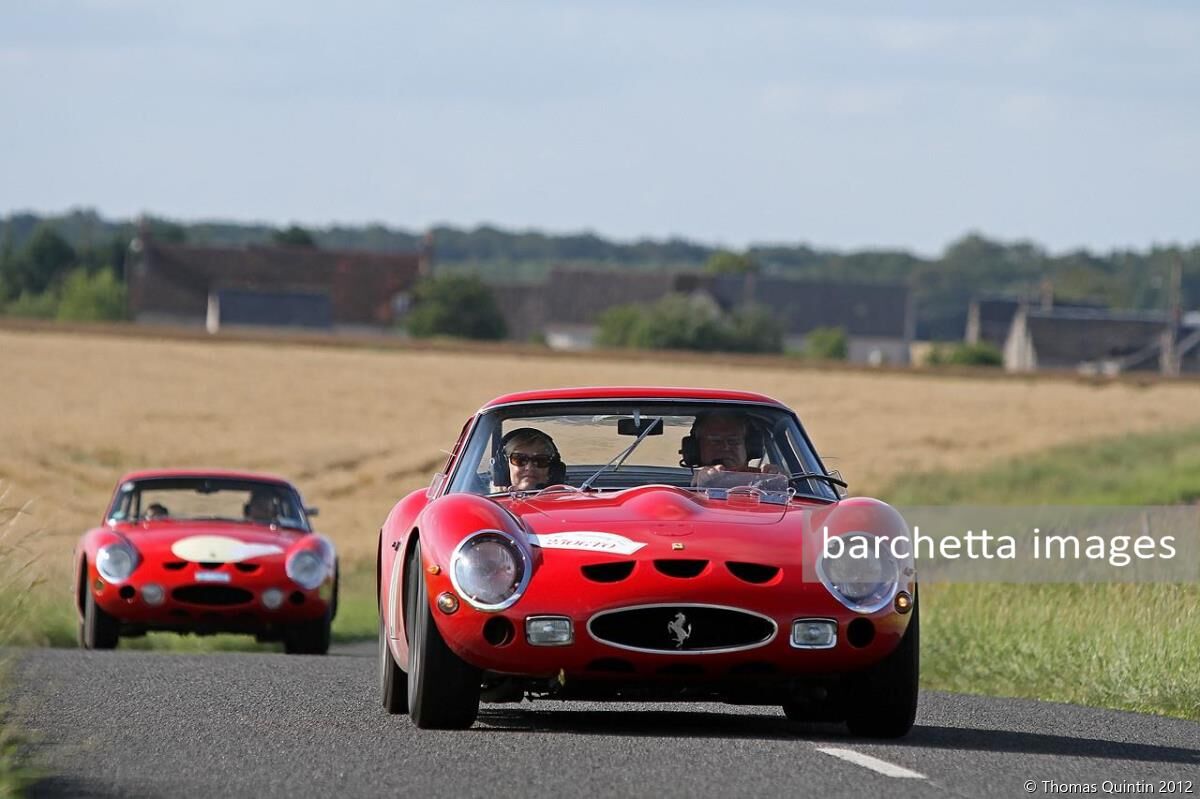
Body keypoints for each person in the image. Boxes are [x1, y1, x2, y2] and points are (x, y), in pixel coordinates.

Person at [683, 412, 784, 488]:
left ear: (750, 447)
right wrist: (699, 485)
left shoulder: (767, 479)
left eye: (733, 441)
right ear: (695, 448)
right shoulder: (683, 494)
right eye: (715, 441)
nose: (725, 447)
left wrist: (782, 482)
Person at [494, 427, 565, 492]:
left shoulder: (567, 503)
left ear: (552, 470)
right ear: (505, 466)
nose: (529, 468)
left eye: (540, 460)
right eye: (520, 459)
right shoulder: (488, 504)